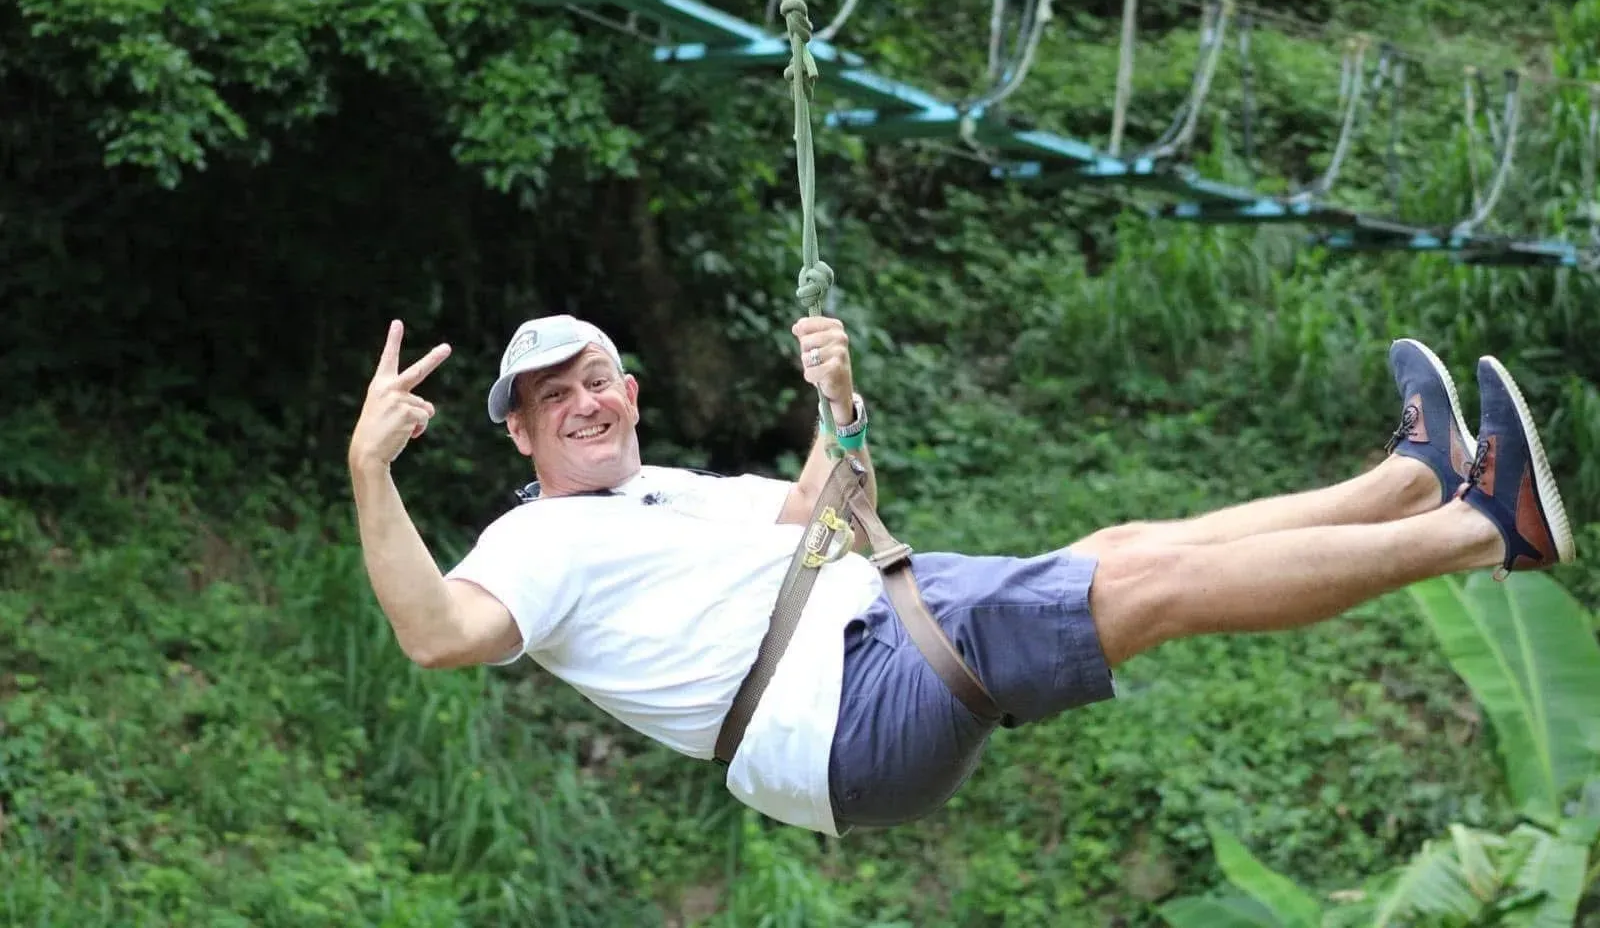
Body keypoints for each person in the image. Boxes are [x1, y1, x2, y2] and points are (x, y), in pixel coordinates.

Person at [346, 313, 1574, 836]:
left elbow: (826, 513)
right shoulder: (536, 541)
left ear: (628, 390)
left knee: (1125, 547)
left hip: (875, 618)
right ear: (520, 433)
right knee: (1142, 590)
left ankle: (1408, 480)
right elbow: (438, 633)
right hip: (839, 715)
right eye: (549, 398)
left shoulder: (663, 490)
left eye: (594, 379)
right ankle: (1485, 530)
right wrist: (370, 472)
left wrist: (837, 402)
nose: (581, 403)